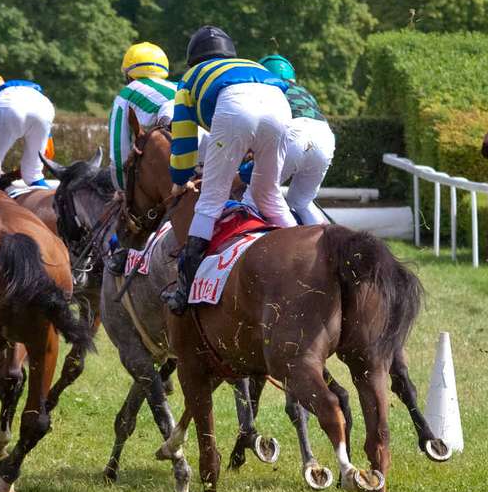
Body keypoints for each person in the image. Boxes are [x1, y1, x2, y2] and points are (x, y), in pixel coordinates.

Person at [160, 27, 292, 313]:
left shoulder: (189, 79)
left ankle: (185, 290)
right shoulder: (251, 65)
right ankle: (307, 249)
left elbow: (183, 141)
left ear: (193, 59)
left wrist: (179, 180)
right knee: (269, 195)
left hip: (235, 106)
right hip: (281, 106)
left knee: (211, 200)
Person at [255, 53, 336, 227]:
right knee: (302, 202)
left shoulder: (267, 89)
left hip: (294, 134)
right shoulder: (304, 91)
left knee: (256, 195)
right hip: (325, 136)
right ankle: (326, 244)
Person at [106, 42, 177, 171]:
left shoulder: (125, 95)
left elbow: (118, 153)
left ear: (128, 74)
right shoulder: (178, 86)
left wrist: (121, 188)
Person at [0, 73, 56, 188]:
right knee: (34, 174)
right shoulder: (31, 91)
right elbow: (48, 152)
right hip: (44, 108)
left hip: (7, 105)